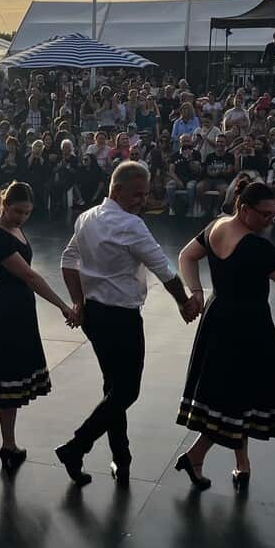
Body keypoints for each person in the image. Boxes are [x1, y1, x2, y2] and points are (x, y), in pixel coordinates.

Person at [54, 161, 196, 486]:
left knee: (114, 389)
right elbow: (164, 270)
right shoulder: (131, 226)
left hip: (94, 316)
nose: (142, 201)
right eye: (137, 194)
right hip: (122, 319)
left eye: (144, 195)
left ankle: (122, 458)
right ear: (117, 190)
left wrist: (78, 301)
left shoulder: (86, 217)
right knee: (127, 391)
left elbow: (67, 259)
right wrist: (183, 302)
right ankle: (76, 446)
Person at [173, 182, 275, 492]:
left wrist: (196, 291)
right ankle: (196, 456)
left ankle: (241, 463)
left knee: (237, 394)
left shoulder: (216, 227)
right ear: (244, 208)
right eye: (265, 214)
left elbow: (186, 256)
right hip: (248, 325)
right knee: (235, 397)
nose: (271, 220)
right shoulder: (257, 247)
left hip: (217, 317)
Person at [0, 182, 79, 471]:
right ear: (5, 205)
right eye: (17, 212)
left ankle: (8, 444)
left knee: (7, 382)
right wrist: (63, 306)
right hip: (4, 312)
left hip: (16, 309)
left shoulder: (7, 227)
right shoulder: (0, 235)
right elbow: (30, 277)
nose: (22, 217)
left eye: (27, 213)